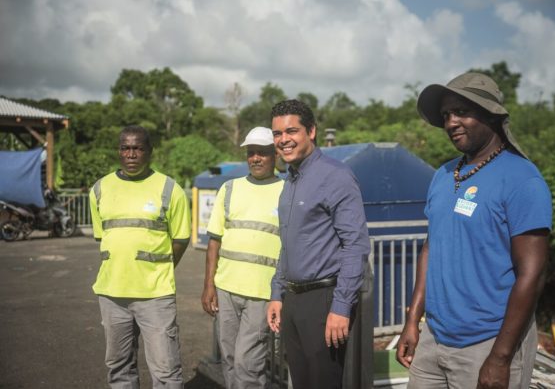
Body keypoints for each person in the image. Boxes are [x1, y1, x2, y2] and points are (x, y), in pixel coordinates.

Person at [396, 73, 552, 388]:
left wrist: (500, 358)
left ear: (491, 114)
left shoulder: (522, 179)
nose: (451, 122)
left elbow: (532, 274)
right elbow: (431, 248)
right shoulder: (443, 174)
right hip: (434, 339)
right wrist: (413, 320)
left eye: (461, 111)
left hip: (487, 344)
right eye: (445, 115)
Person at [266, 99, 370, 389]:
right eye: (277, 134)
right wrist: (277, 292)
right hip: (293, 300)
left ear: (311, 131)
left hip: (324, 300)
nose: (283, 140)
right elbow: (288, 244)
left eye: (291, 131)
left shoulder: (336, 176)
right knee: (301, 382)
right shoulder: (290, 179)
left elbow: (355, 245)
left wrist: (340, 307)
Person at [90, 125, 191, 389]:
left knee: (166, 371)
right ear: (118, 151)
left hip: (155, 295)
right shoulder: (99, 189)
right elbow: (103, 237)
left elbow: (180, 239)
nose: (131, 154)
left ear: (149, 151)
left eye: (138, 148)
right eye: (126, 148)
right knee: (119, 367)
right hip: (112, 294)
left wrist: (158, 268)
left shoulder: (170, 189)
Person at [201, 127, 284, 389]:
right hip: (226, 289)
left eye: (262, 153)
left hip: (262, 293)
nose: (256, 158)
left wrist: (279, 294)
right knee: (228, 358)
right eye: (251, 153)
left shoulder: (288, 190)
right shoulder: (229, 189)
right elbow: (214, 240)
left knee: (248, 363)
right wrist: (209, 285)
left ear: (275, 155)